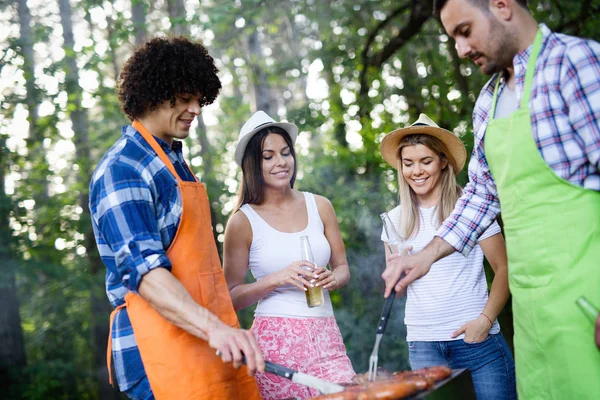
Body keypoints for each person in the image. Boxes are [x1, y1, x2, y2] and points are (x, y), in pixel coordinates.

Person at [382, 0, 600, 398]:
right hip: (535, 311)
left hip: (590, 299)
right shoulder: (489, 99)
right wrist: (422, 257)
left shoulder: (575, 62)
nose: (461, 50)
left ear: (501, 5)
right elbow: (481, 196)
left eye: (465, 31)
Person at [89, 36, 263, 399]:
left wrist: (218, 330)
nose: (196, 108)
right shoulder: (122, 169)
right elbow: (146, 275)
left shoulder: (174, 163)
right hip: (158, 350)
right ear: (153, 93)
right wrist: (215, 329)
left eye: (199, 99)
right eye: (185, 98)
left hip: (205, 340)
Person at [379, 114, 516, 400]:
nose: (416, 171)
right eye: (408, 163)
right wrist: (396, 280)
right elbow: (398, 292)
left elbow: (504, 269)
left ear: (443, 161)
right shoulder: (394, 221)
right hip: (423, 345)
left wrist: (485, 320)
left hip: (478, 340)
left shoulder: (471, 210)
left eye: (425, 161)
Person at [223, 110, 356, 399]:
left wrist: (333, 278)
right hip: (275, 344)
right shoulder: (242, 221)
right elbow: (229, 297)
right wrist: (275, 279)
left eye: (285, 153)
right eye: (268, 156)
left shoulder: (320, 205)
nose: (281, 162)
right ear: (253, 165)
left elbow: (343, 267)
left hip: (326, 339)